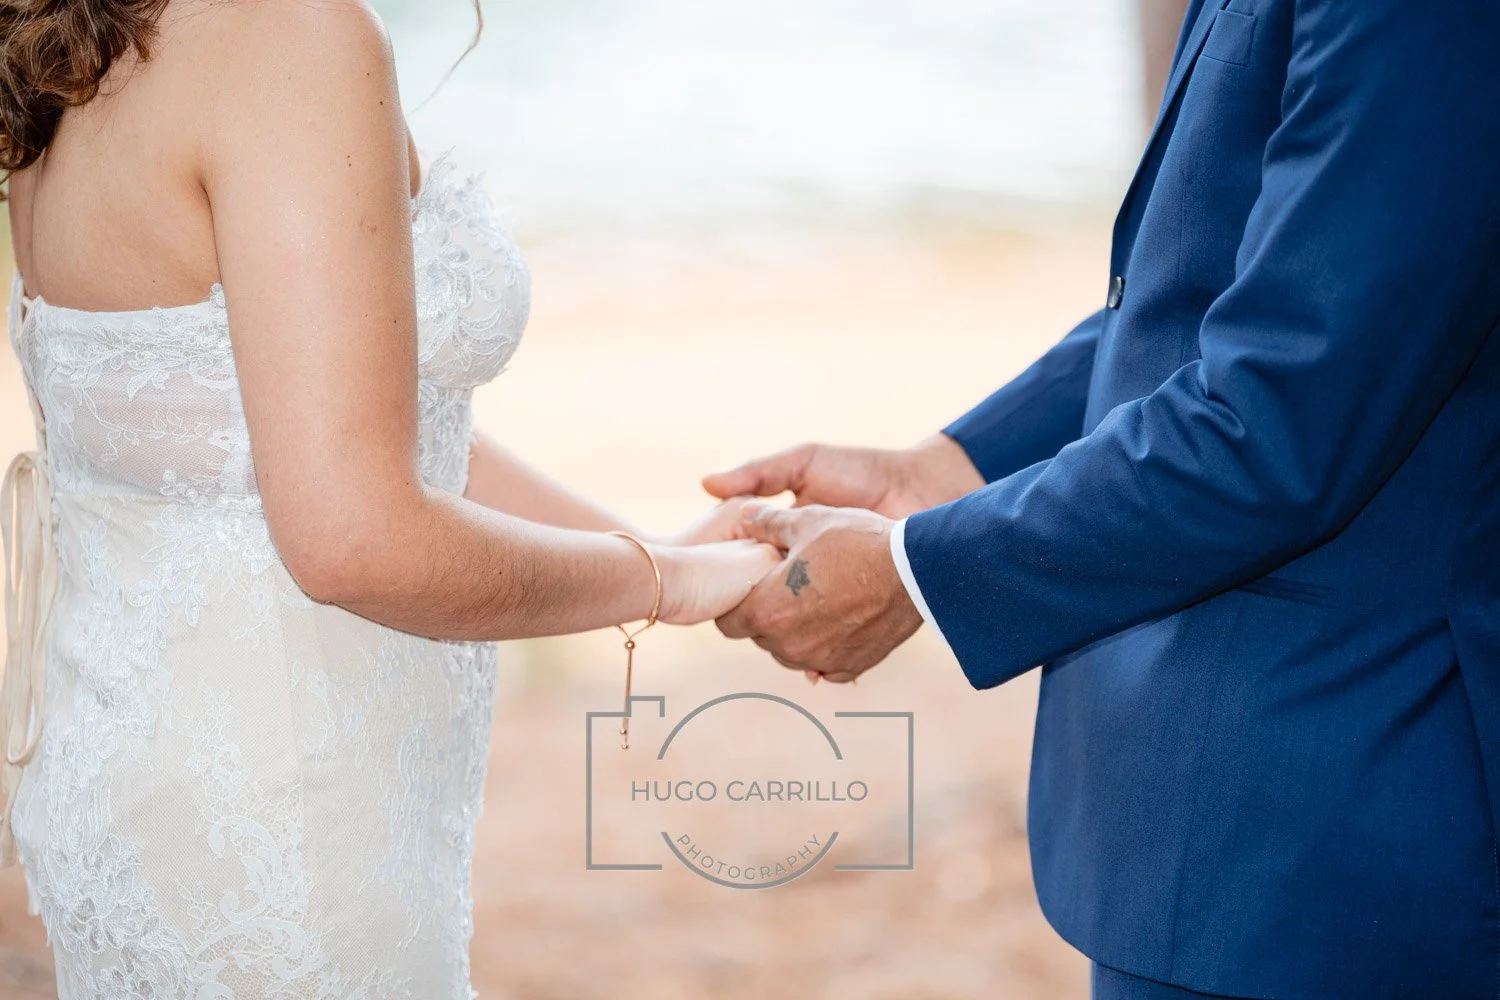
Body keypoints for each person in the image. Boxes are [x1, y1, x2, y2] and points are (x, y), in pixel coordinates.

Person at [707, 1, 1500, 997]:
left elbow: (1283, 411)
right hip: (1212, 821)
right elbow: (1232, 284)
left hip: (1337, 821)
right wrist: (956, 463)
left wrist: (919, 569)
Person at [0, 0, 775, 991]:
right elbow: (354, 537)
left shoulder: (87, 36)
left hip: (134, 784)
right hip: (288, 820)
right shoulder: (289, 37)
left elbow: (325, 429)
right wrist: (659, 580)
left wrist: (664, 549)